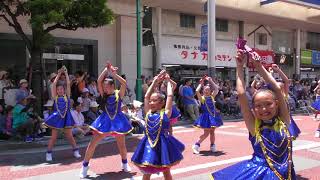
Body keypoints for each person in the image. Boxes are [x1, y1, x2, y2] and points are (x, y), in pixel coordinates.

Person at [211, 49, 296, 179]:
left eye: (268, 104)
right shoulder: (254, 127)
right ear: (254, 109)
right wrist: (239, 66)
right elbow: (241, 94)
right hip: (260, 174)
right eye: (258, 106)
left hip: (287, 173)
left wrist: (259, 66)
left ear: (277, 103)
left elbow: (278, 89)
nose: (263, 109)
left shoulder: (284, 120)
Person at [80, 63, 133, 178]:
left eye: (107, 86)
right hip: (104, 120)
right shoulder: (103, 94)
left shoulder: (119, 94)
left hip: (118, 121)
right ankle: (85, 166)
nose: (104, 88)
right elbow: (99, 81)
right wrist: (106, 69)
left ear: (112, 86)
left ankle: (124, 163)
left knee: (122, 145)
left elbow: (124, 83)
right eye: (104, 87)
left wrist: (114, 74)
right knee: (92, 143)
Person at [131, 70, 184, 180]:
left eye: (154, 101)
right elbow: (146, 96)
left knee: (166, 171)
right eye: (150, 101)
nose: (150, 103)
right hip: (148, 144)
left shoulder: (165, 113)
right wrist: (155, 81)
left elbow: (169, 95)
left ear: (162, 103)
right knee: (147, 171)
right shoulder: (148, 112)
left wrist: (168, 81)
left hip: (162, 145)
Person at [44, 66, 81, 161]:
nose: (60, 90)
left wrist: (66, 73)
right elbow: (54, 84)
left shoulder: (67, 96)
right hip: (57, 118)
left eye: (62, 89)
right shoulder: (54, 97)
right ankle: (48, 153)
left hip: (67, 118)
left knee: (70, 136)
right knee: (54, 137)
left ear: (64, 90)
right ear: (56, 91)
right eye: (58, 89)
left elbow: (68, 83)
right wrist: (59, 73)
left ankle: (76, 150)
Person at [192, 76, 222, 154]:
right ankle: (196, 145)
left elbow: (216, 89)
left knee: (212, 132)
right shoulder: (202, 98)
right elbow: (196, 91)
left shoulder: (212, 97)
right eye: (205, 89)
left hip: (213, 116)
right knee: (206, 133)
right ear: (203, 90)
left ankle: (212, 146)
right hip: (206, 117)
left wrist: (211, 81)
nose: (207, 91)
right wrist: (201, 83)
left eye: (208, 90)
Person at [270, 64, 301, 139]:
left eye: (280, 87)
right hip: (275, 119)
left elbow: (286, 80)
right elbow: (269, 82)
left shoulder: (284, 95)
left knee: (288, 137)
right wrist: (270, 73)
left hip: (285, 118)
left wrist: (278, 70)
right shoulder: (273, 96)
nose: (278, 89)